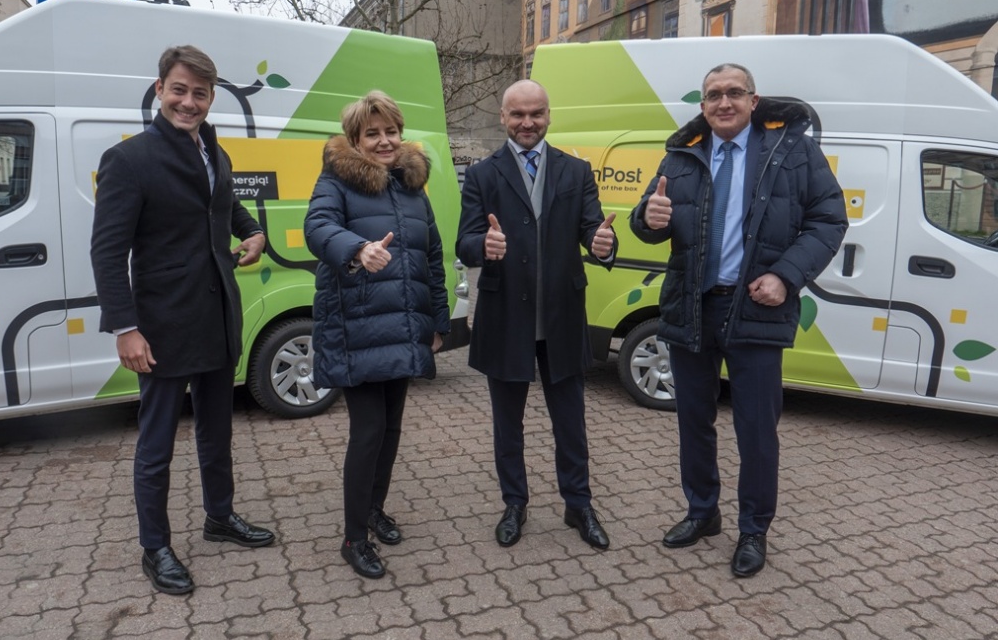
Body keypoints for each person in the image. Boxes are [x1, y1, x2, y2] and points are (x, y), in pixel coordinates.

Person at [629, 63, 848, 577]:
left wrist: (786, 277)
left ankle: (753, 530)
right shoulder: (682, 155)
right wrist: (647, 219)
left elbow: (828, 219)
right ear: (703, 105)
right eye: (712, 95)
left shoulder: (792, 151)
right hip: (692, 305)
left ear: (754, 100)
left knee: (756, 428)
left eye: (733, 93)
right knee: (692, 420)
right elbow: (648, 220)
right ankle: (702, 512)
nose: (723, 102)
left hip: (756, 307)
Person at [90, 45, 275, 596]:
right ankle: (156, 547)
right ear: (159, 89)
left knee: (218, 430)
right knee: (157, 444)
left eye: (199, 93)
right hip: (163, 327)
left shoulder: (214, 151)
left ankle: (220, 517)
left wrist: (252, 232)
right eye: (179, 90)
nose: (188, 102)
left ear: (211, 97)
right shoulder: (128, 160)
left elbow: (225, 207)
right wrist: (125, 328)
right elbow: (107, 252)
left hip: (218, 316)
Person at [456, 79, 617, 551]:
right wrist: (482, 246)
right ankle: (514, 504)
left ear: (549, 115)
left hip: (562, 317)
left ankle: (578, 504)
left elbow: (593, 229)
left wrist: (602, 244)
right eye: (518, 114)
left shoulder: (576, 170)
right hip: (506, 317)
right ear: (503, 117)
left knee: (570, 422)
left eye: (536, 114)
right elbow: (464, 241)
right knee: (508, 425)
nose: (528, 123)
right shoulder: (483, 175)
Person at [304, 91, 449, 579]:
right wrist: (357, 248)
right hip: (358, 328)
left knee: (390, 430)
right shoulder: (336, 181)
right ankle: (353, 538)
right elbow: (317, 227)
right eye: (372, 133)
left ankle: (373, 509)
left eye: (391, 131)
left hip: (404, 327)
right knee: (367, 434)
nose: (384, 141)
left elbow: (432, 257)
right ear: (355, 140)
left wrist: (437, 323)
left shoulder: (412, 187)